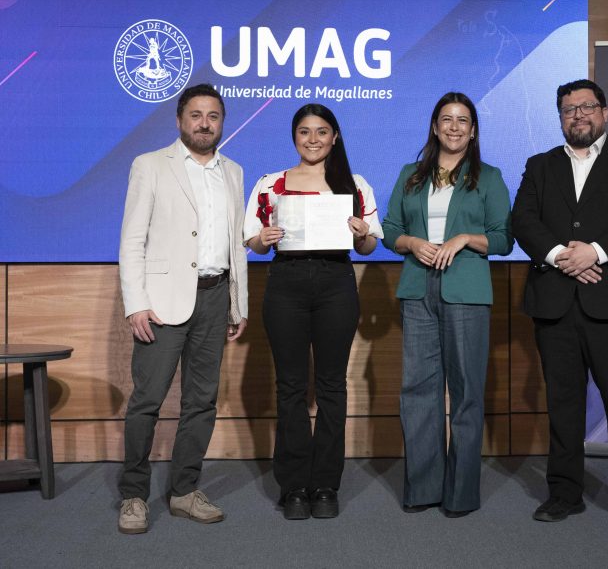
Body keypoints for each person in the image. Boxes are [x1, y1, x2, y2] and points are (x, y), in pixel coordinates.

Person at [510, 78, 608, 530]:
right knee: (563, 404)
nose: (578, 115)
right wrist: (562, 256)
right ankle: (564, 492)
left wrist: (594, 252)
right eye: (568, 109)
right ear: (560, 118)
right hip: (555, 304)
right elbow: (523, 220)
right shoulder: (539, 165)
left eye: (587, 106)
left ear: (604, 112)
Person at [117, 83, 249, 534]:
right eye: (196, 115)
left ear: (222, 123)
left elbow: (235, 244)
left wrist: (237, 304)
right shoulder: (150, 165)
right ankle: (134, 495)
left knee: (201, 401)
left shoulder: (233, 171)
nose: (204, 123)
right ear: (179, 120)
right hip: (161, 303)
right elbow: (132, 240)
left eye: (213, 116)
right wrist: (136, 303)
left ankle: (184, 491)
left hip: (215, 297)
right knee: (147, 401)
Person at [243, 103, 382, 520]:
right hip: (285, 282)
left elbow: (368, 247)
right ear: (294, 137)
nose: (313, 139)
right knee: (290, 387)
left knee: (331, 386)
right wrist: (264, 239)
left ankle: (324, 484)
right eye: (304, 131)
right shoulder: (270, 184)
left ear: (335, 137)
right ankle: (293, 486)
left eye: (322, 131)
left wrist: (362, 233)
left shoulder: (354, 185)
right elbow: (253, 242)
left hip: (336, 282)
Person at [382, 92, 512, 517]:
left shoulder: (488, 177)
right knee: (418, 391)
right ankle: (423, 488)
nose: (454, 127)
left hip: (467, 291)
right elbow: (390, 229)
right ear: (435, 127)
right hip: (417, 291)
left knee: (466, 392)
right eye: (446, 119)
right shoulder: (410, 175)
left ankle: (461, 494)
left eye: (463, 120)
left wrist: (464, 238)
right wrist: (411, 242)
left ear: (473, 131)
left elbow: (503, 238)